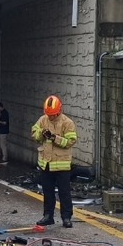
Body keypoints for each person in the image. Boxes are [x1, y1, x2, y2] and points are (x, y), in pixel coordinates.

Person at [32, 95, 78, 228]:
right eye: (48, 114)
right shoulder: (43, 119)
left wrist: (54, 138)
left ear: (59, 110)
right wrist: (41, 133)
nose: (50, 117)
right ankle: (48, 216)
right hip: (46, 163)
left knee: (64, 192)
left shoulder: (67, 123)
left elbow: (70, 141)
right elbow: (34, 133)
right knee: (48, 191)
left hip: (61, 164)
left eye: (52, 115)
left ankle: (66, 217)